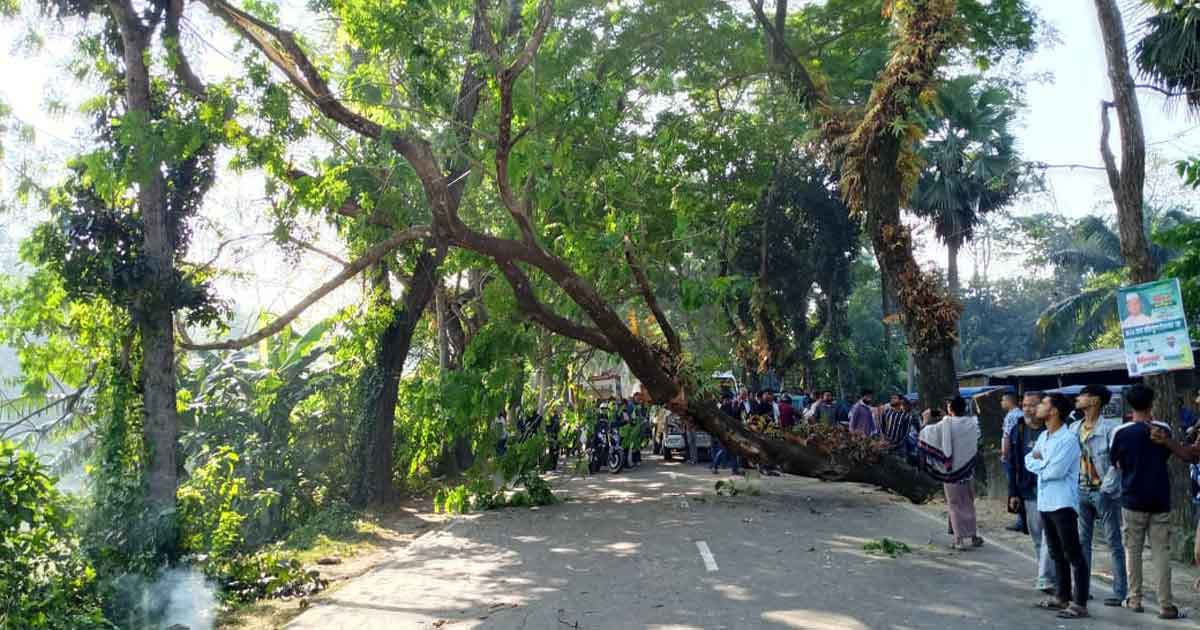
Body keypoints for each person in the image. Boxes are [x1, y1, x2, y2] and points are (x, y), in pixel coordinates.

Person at [1111, 383, 1178, 618]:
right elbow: (1169, 454)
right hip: (1160, 498)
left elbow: (1116, 463)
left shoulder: (1120, 432)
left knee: (1133, 551)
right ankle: (1166, 604)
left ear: (1130, 404)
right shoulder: (1164, 429)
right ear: (1152, 403)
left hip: (1132, 498)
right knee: (1161, 552)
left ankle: (1135, 599)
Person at [1027, 393, 1089, 619]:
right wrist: (1042, 463)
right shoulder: (1044, 436)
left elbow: (1056, 471)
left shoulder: (1068, 440)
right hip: (1045, 501)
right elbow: (1028, 460)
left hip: (1062, 503)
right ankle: (1062, 596)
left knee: (1073, 553)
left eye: (1043, 403)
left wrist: (1040, 463)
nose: (1038, 407)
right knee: (1055, 552)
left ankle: (1080, 602)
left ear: (1054, 411)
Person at [1069, 384, 1126, 608]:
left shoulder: (1111, 429)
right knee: (1082, 542)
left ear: (1094, 401)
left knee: (1113, 542)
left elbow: (1117, 464)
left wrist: (1105, 489)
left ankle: (1120, 591)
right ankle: (1082, 588)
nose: (1078, 398)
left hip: (1103, 492)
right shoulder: (1074, 427)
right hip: (1080, 489)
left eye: (1083, 395)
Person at [1006, 391, 1057, 595]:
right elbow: (1012, 462)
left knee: (1052, 537)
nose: (1028, 409)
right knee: (1038, 537)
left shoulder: (1051, 429)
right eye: (1025, 404)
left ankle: (1051, 577)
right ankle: (1045, 575)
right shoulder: (1018, 428)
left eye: (1033, 405)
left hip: (1051, 488)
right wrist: (1013, 492)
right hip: (1028, 490)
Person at [917, 396, 982, 550]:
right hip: (967, 471)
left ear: (950, 408)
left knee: (954, 505)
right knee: (968, 504)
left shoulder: (946, 423)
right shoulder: (972, 423)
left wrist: (926, 419)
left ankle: (959, 540)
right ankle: (973, 537)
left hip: (952, 473)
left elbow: (926, 434)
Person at [999, 392, 1027, 533]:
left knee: (1015, 487)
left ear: (1009, 401)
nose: (1001, 403)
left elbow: (1007, 437)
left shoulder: (1011, 416)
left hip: (1012, 456)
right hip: (1020, 455)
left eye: (1003, 400)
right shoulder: (1020, 414)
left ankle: (1021, 520)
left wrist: (1005, 454)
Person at [712, 393, 742, 475]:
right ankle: (715, 467)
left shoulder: (729, 407)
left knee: (732, 451)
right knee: (722, 451)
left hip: (730, 433)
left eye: (729, 399)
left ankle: (734, 470)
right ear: (724, 400)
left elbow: (735, 417)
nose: (728, 401)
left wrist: (738, 407)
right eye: (726, 400)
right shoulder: (722, 408)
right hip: (723, 434)